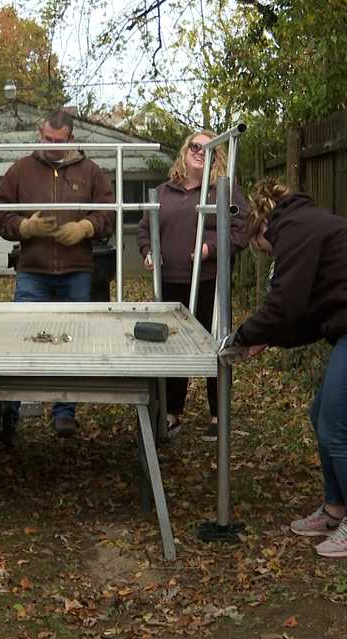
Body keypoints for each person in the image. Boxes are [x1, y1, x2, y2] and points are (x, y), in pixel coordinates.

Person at [225, 176, 347, 558]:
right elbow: (308, 314)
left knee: (335, 429)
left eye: (259, 247)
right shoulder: (304, 226)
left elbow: (284, 306)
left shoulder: (294, 231)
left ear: (262, 228)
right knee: (321, 417)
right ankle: (335, 509)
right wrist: (269, 337)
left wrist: (242, 336)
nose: (265, 253)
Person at [0, 109, 114, 439]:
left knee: (71, 343)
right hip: (32, 271)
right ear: (39, 133)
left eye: (59, 142)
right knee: (20, 342)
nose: (52, 146)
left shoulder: (90, 172)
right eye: (47, 139)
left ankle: (64, 412)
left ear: (71, 139)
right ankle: (10, 412)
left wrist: (87, 226)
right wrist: (24, 227)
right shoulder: (20, 170)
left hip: (76, 272)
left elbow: (110, 214)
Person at [137, 129, 250, 442]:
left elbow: (241, 229)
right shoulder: (162, 192)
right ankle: (172, 412)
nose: (200, 151)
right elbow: (145, 231)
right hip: (170, 284)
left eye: (208, 148)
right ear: (184, 152)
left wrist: (210, 249)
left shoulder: (223, 192)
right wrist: (149, 252)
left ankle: (218, 413)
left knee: (213, 345)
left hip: (208, 281)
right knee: (173, 348)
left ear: (217, 155)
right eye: (194, 146)